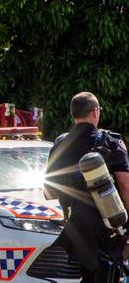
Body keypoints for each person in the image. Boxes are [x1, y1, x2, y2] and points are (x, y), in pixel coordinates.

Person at [44, 92, 129, 282]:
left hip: (76, 230)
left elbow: (48, 193)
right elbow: (125, 187)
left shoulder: (60, 145)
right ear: (95, 112)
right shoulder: (111, 142)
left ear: (73, 114)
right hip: (110, 227)